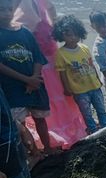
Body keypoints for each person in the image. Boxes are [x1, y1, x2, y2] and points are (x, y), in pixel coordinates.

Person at [13, 0, 88, 150]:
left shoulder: (24, 3)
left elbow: (27, 22)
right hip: (47, 49)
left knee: (52, 94)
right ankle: (64, 129)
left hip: (40, 53)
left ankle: (57, 132)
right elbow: (51, 12)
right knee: (57, 92)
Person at [0, 0, 53, 157]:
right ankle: (34, 152)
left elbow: (38, 57)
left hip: (35, 85)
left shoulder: (25, 33)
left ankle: (48, 147)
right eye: (2, 10)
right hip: (13, 87)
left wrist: (34, 78)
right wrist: (26, 79)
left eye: (9, 9)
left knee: (40, 118)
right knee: (19, 124)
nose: (7, 13)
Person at [53, 15, 106, 134]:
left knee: (101, 109)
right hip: (79, 91)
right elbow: (62, 74)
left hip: (94, 86)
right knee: (86, 113)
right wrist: (66, 89)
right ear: (61, 35)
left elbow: (92, 66)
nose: (73, 38)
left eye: (76, 34)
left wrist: (98, 80)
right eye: (69, 35)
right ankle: (93, 131)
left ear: (80, 34)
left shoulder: (84, 48)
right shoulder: (60, 53)